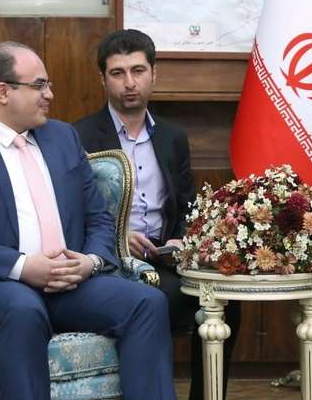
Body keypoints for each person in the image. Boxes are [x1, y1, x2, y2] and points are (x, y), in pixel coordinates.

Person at [0, 41, 176, 400]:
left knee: (147, 302)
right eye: (39, 85)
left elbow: (98, 217)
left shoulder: (63, 137)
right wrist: (23, 267)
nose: (49, 94)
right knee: (22, 309)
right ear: (3, 92)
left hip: (72, 284)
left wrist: (90, 262)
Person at [74, 29, 241, 399]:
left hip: (166, 259)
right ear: (103, 80)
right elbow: (71, 213)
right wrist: (118, 238)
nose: (129, 83)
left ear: (154, 74)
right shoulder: (79, 137)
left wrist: (182, 238)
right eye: (118, 73)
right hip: (111, 263)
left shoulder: (172, 137)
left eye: (138, 71)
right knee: (163, 301)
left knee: (226, 303)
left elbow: (186, 206)